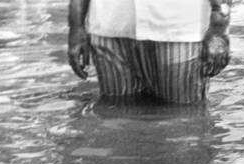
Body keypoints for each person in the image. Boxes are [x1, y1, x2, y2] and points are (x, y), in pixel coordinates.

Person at [67, 0, 232, 104]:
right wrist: (76, 27)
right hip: (110, 23)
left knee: (184, 120)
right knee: (115, 114)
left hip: (180, 27)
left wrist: (218, 31)